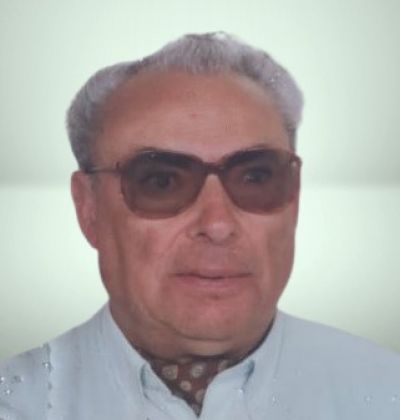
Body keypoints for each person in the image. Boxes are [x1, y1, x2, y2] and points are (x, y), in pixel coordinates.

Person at [1, 32, 399, 420]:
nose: (218, 224)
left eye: (255, 177)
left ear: (294, 199)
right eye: (162, 181)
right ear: (89, 209)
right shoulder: (17, 402)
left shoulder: (385, 392)